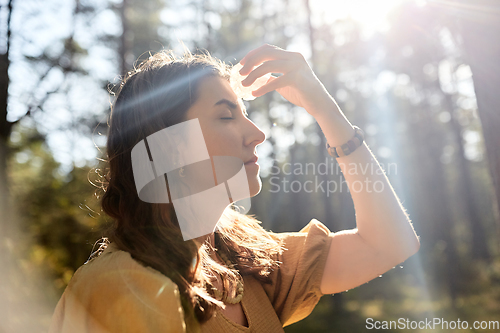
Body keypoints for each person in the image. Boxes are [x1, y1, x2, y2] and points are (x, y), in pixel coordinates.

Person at [49, 44, 420, 333]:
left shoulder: (244, 265)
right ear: (170, 147)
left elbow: (388, 244)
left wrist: (323, 106)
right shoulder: (121, 286)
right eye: (227, 116)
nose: (257, 135)